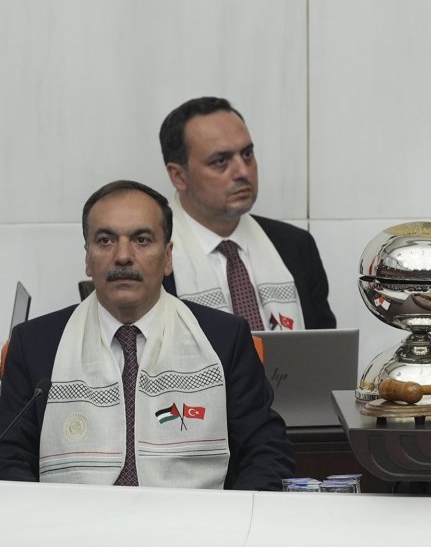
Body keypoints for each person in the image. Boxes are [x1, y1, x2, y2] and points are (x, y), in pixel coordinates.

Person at [0, 181, 294, 488]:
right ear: (87, 258)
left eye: (141, 240)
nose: (123, 256)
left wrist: (229, 527)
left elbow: (267, 451)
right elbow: (8, 457)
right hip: (75, 530)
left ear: (168, 257)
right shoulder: (35, 345)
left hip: (196, 529)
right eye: (105, 240)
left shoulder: (224, 338)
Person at [159, 97, 335, 330]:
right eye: (221, 161)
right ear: (179, 176)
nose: (243, 171)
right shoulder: (152, 256)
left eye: (247, 154)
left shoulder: (295, 246)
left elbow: (327, 353)